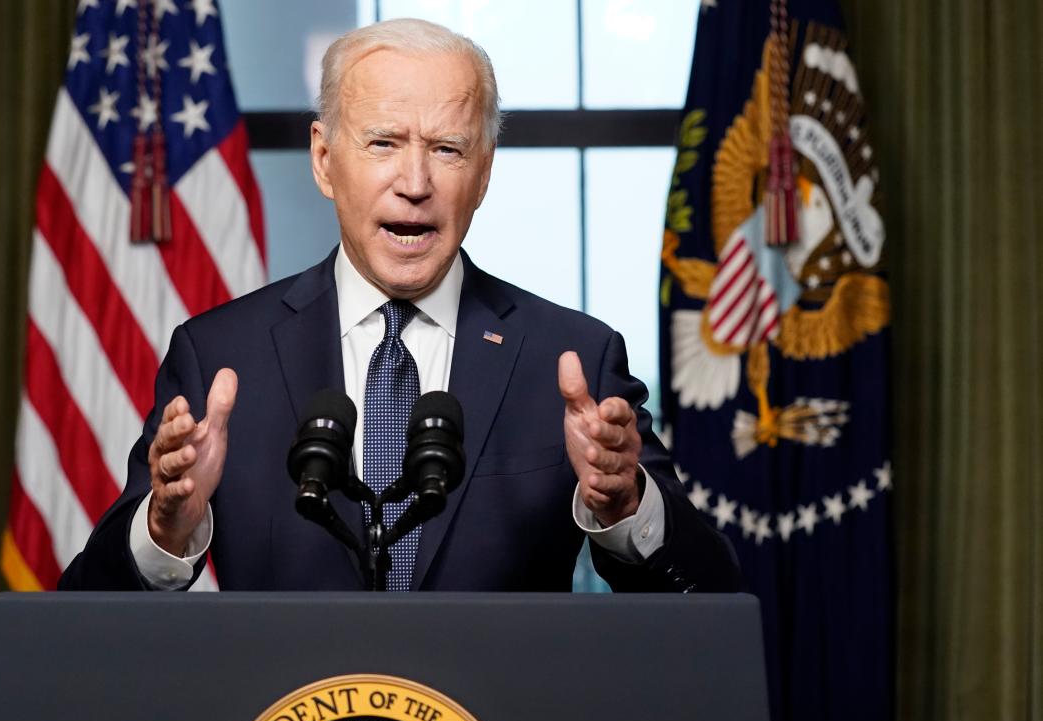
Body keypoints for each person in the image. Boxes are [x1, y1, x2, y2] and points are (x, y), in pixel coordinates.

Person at [59, 18, 740, 593]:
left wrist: (627, 506)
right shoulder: (223, 357)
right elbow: (89, 608)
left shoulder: (570, 360)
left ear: (484, 173)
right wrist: (165, 527)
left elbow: (711, 591)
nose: (414, 183)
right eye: (383, 143)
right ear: (324, 160)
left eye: (447, 149)